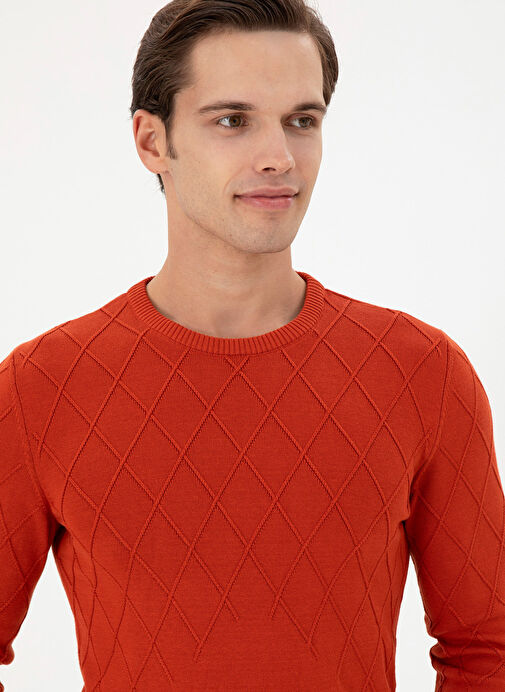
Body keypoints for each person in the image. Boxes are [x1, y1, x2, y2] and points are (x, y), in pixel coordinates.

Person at [1, 0, 504, 689]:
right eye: (232, 120)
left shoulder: (423, 374)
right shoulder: (40, 388)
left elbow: (487, 650)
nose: (279, 158)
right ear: (152, 142)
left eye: (301, 121)